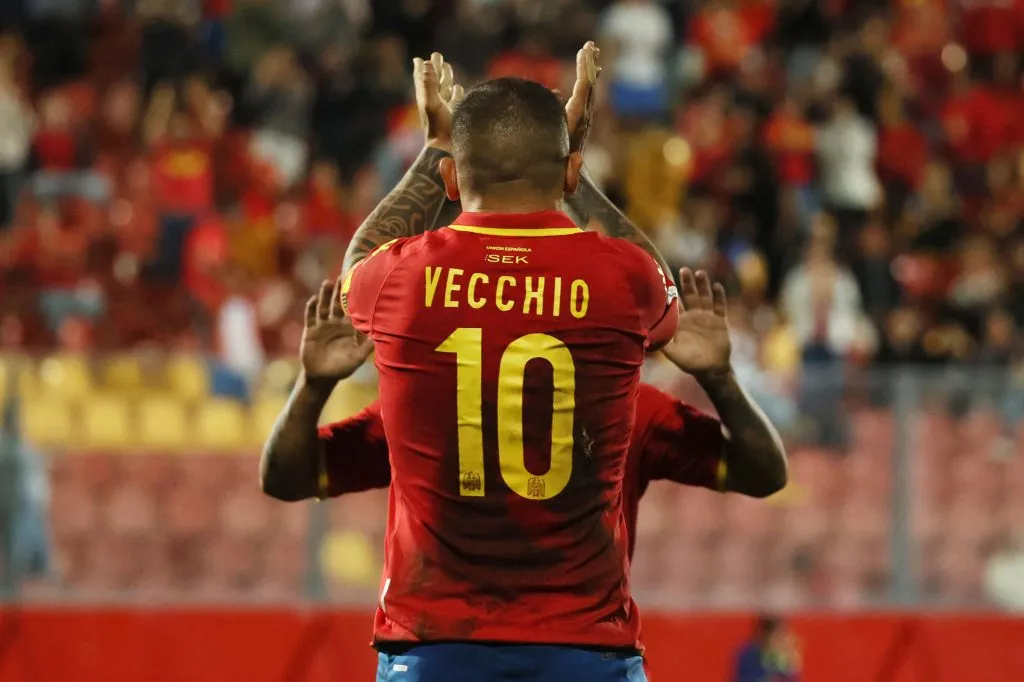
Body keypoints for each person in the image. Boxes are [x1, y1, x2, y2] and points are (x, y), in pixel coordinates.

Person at [263, 44, 783, 682]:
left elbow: (356, 272)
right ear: (570, 175)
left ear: (452, 181)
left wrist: (435, 145)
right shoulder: (621, 280)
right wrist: (576, 165)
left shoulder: (403, 279)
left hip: (433, 650)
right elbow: (657, 278)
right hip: (586, 651)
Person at [733, 615, 802, 682]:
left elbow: (792, 678)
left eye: (784, 635)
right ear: (766, 635)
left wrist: (792, 666)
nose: (782, 640)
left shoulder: (784, 657)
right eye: (777, 636)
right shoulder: (749, 654)